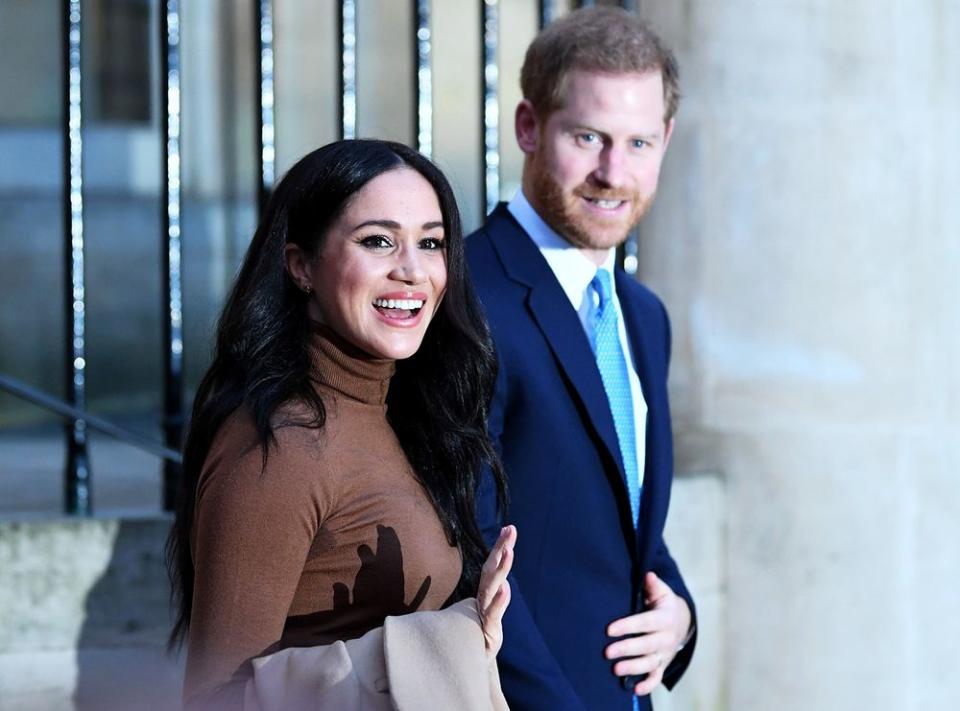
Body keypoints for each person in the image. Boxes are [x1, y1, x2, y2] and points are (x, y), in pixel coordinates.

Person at [165, 139, 515, 709]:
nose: (411, 270)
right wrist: (424, 649)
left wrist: (463, 642)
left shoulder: (399, 410)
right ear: (301, 265)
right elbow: (215, 698)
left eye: (430, 243)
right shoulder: (280, 446)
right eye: (378, 241)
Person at [466, 7, 696, 710]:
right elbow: (463, 544)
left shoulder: (642, 314)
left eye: (638, 142)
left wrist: (680, 615)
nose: (612, 172)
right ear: (529, 127)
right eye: (588, 137)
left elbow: (623, 521)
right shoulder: (465, 294)